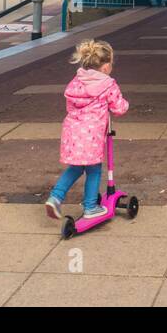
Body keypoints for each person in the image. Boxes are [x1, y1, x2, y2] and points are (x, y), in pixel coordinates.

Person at [44, 39, 129, 220]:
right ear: (106, 67)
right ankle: (90, 207)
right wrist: (125, 104)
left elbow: (71, 105)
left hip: (72, 132)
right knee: (94, 169)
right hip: (91, 135)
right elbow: (118, 108)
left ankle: (55, 197)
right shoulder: (108, 84)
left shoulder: (76, 81)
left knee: (75, 167)